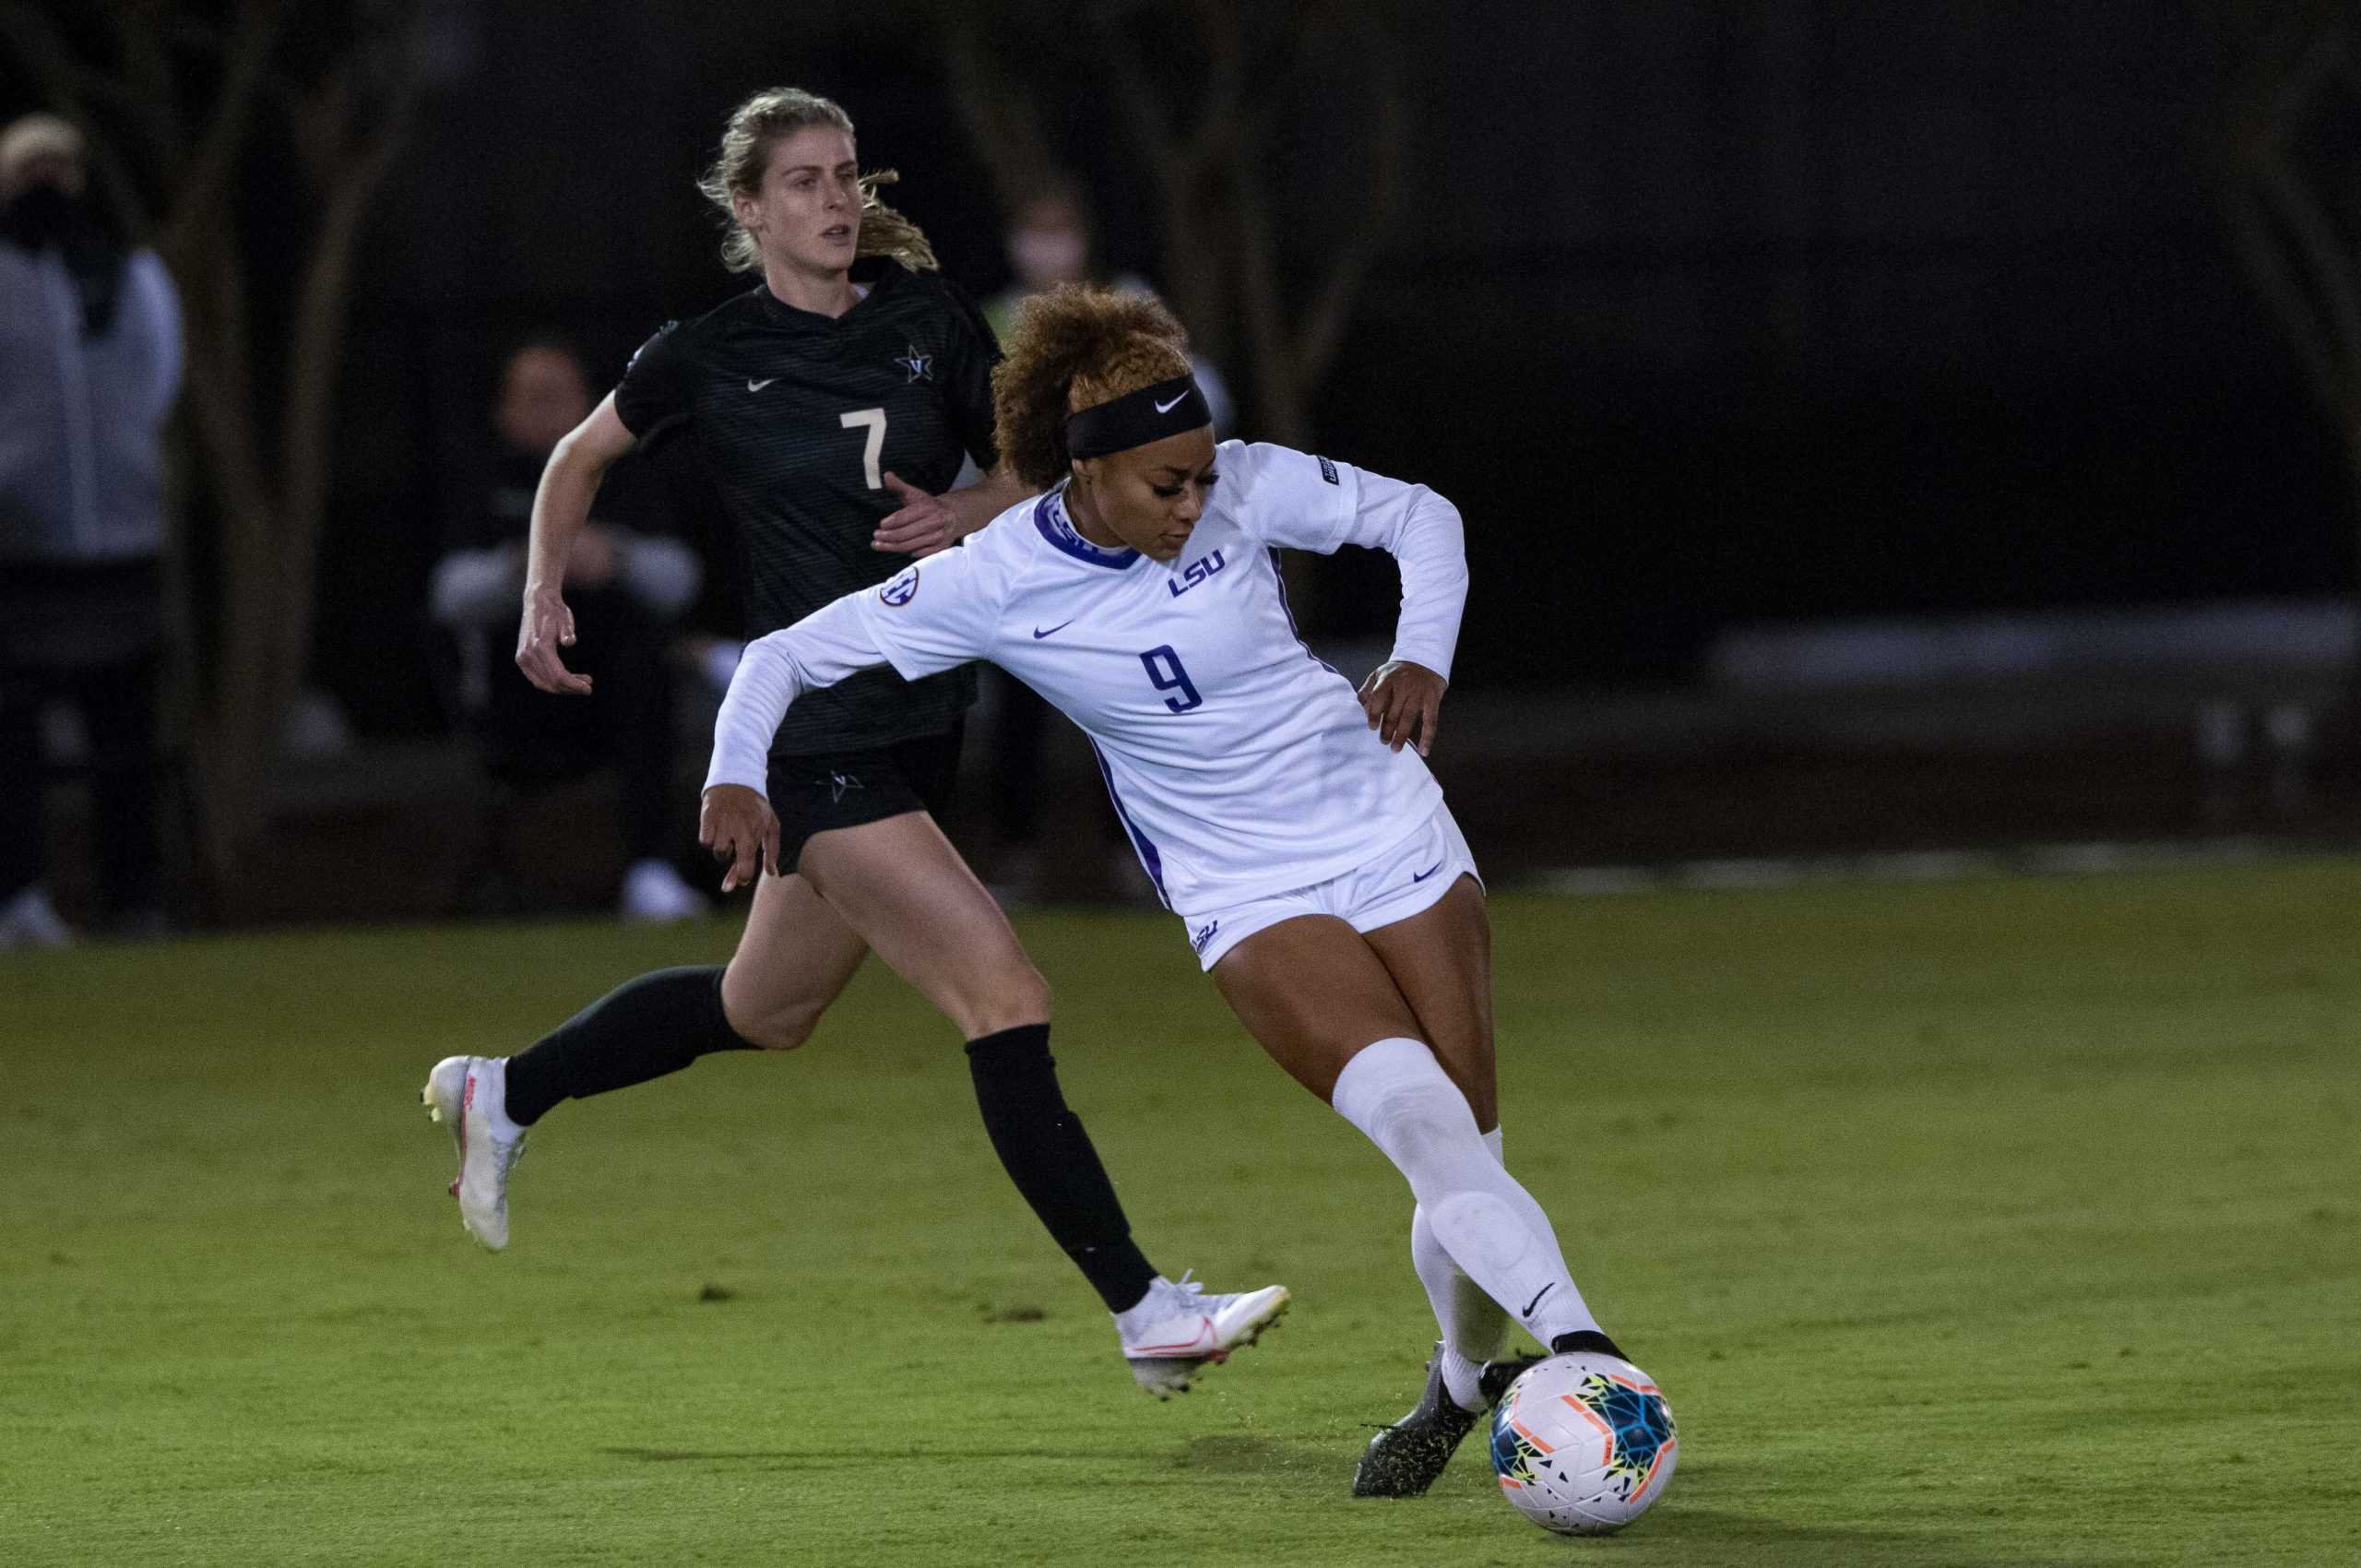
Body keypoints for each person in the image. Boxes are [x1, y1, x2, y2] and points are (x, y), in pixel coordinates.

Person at [700, 284, 1637, 1495]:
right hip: (1243, 890)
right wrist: (734, 775)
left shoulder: (1239, 481)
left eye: (1203, 474)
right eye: (1167, 485)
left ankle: (1463, 1383)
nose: (1198, 503)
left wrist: (1419, 656)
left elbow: (1424, 518)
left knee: (1473, 1145)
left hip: (1388, 822)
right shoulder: (993, 580)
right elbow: (781, 658)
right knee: (1423, 1126)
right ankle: (1587, 1351)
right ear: (1083, 475)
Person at [419, 89, 1283, 1397]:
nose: (833, 199)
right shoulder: (708, 353)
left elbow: (1032, 480)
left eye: (844, 175)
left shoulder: (925, 322)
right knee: (1008, 997)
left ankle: (507, 1089)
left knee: (760, 1010)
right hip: (816, 739)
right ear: (749, 208)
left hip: (920, 722)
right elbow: (576, 463)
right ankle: (1146, 1310)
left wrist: (965, 508)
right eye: (805, 181)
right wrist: (543, 589)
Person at [430, 336, 708, 922]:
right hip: (520, 694)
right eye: (530, 398)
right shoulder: (484, 478)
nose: (545, 410)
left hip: (618, 694)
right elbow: (447, 595)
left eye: (558, 396)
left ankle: (651, 871)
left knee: (646, 672)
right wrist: (529, 564)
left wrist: (617, 556)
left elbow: (682, 580)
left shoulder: (625, 472)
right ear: (504, 410)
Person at [0, 113, 181, 948]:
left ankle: (135, 898)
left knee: (127, 741)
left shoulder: (129, 276)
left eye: (58, 170)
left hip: (121, 543)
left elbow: (157, 385)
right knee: (13, 740)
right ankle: (19, 898)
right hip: (19, 552)